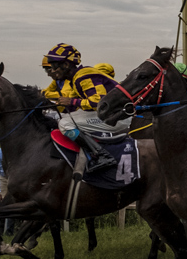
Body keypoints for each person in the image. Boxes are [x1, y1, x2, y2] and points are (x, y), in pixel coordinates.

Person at [44, 43, 130, 174]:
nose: (52, 71)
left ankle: (101, 155)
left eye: (54, 66)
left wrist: (71, 101)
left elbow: (99, 102)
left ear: (66, 65)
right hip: (113, 115)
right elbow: (70, 106)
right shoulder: (76, 78)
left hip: (119, 117)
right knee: (66, 118)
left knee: (65, 124)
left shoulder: (83, 76)